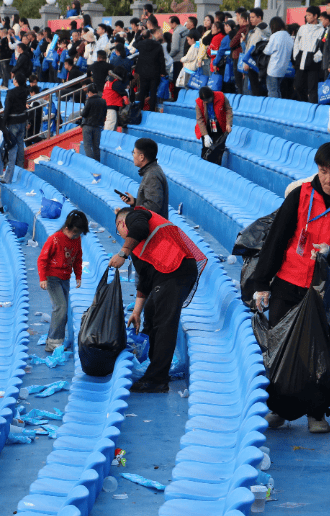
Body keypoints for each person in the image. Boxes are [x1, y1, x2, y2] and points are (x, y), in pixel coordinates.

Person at [251, 142, 330, 433]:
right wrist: (262, 283)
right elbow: (276, 238)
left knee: (321, 352)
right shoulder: (300, 195)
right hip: (288, 281)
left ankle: (317, 413)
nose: (329, 179)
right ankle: (278, 409)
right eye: (323, 171)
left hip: (325, 290)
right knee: (279, 348)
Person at [109, 205, 206, 393]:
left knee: (164, 324)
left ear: (122, 223)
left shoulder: (136, 216)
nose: (121, 236)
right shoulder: (137, 247)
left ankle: (157, 379)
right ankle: (151, 367)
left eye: (118, 231)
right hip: (167, 274)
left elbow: (139, 228)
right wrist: (136, 312)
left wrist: (123, 252)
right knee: (151, 313)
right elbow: (144, 281)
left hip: (177, 270)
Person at [38, 210, 89, 352]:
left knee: (63, 311)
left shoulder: (76, 240)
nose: (76, 236)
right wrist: (43, 278)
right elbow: (42, 259)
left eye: (78, 234)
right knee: (60, 307)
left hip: (65, 278)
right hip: (52, 277)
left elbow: (78, 258)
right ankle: (53, 343)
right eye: (74, 233)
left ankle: (55, 340)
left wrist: (78, 275)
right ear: (67, 228)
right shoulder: (55, 239)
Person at [116, 138, 169, 218]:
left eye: (134, 153)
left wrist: (129, 214)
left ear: (141, 157)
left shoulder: (152, 175)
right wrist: (134, 202)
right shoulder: (152, 170)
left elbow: (153, 206)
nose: (133, 155)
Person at [1, 73, 30, 184]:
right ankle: (20, 169)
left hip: (13, 122)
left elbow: (7, 109)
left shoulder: (11, 93)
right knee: (20, 144)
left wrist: (3, 123)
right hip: (22, 121)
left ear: (16, 81)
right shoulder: (25, 91)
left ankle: (8, 177)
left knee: (12, 149)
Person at [194, 87, 233, 163]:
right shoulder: (199, 103)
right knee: (207, 148)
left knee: (218, 148)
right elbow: (200, 119)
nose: (206, 102)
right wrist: (205, 135)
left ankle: (217, 166)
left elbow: (228, 109)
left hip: (218, 125)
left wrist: (228, 124)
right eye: (204, 101)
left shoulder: (221, 96)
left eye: (208, 100)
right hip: (206, 127)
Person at [134, 30, 167, 113]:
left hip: (143, 71)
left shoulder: (140, 44)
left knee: (142, 91)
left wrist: (140, 35)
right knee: (153, 92)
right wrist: (162, 71)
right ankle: (152, 109)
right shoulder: (158, 45)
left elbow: (135, 43)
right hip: (155, 71)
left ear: (143, 37)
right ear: (150, 36)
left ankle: (140, 110)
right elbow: (161, 60)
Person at [265, 17, 294, 99]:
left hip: (273, 68)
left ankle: (273, 108)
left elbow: (267, 51)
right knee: (277, 90)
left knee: (272, 90)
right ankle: (278, 107)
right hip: (283, 68)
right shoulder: (289, 37)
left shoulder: (274, 36)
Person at [79, 84, 106, 161]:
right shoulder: (103, 101)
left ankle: (91, 163)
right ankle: (97, 164)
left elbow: (84, 113)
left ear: (90, 92)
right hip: (98, 126)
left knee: (87, 146)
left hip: (87, 125)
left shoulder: (89, 101)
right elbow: (104, 114)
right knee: (96, 147)